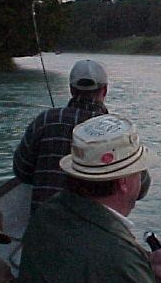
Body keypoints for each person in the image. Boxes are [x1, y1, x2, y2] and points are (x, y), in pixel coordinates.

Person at [10, 114, 161, 283]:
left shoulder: (49, 213)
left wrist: (147, 263)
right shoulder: (117, 261)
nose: (142, 178)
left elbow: (87, 266)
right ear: (124, 183)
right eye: (139, 171)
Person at [13, 59, 109, 210]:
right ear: (104, 90)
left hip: (43, 223)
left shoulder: (44, 120)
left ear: (71, 89)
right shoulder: (115, 131)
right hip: (92, 229)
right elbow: (140, 187)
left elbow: (21, 170)